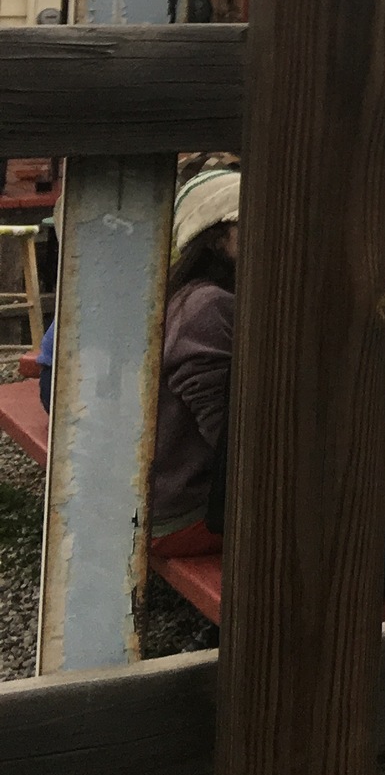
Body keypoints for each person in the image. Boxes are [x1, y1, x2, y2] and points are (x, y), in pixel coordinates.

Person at [150, 163, 242, 554]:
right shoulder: (208, 306)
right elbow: (229, 436)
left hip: (165, 498)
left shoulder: (185, 294)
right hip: (185, 512)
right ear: (219, 239)